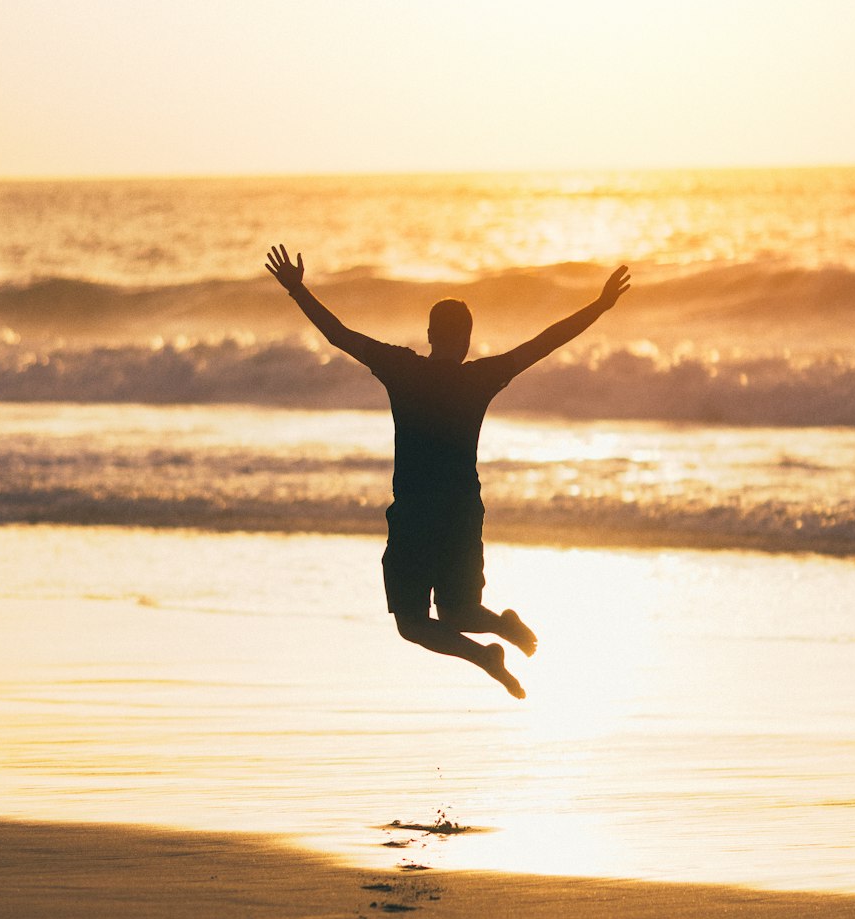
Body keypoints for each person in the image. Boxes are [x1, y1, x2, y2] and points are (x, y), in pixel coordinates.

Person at [266, 244, 630, 698]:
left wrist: (298, 290)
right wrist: (599, 305)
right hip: (459, 512)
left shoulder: (401, 368)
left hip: (415, 515)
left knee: (413, 625)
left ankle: (485, 654)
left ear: (430, 334)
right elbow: (544, 342)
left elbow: (340, 334)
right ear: (467, 340)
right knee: (461, 613)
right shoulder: (478, 379)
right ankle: (499, 628)